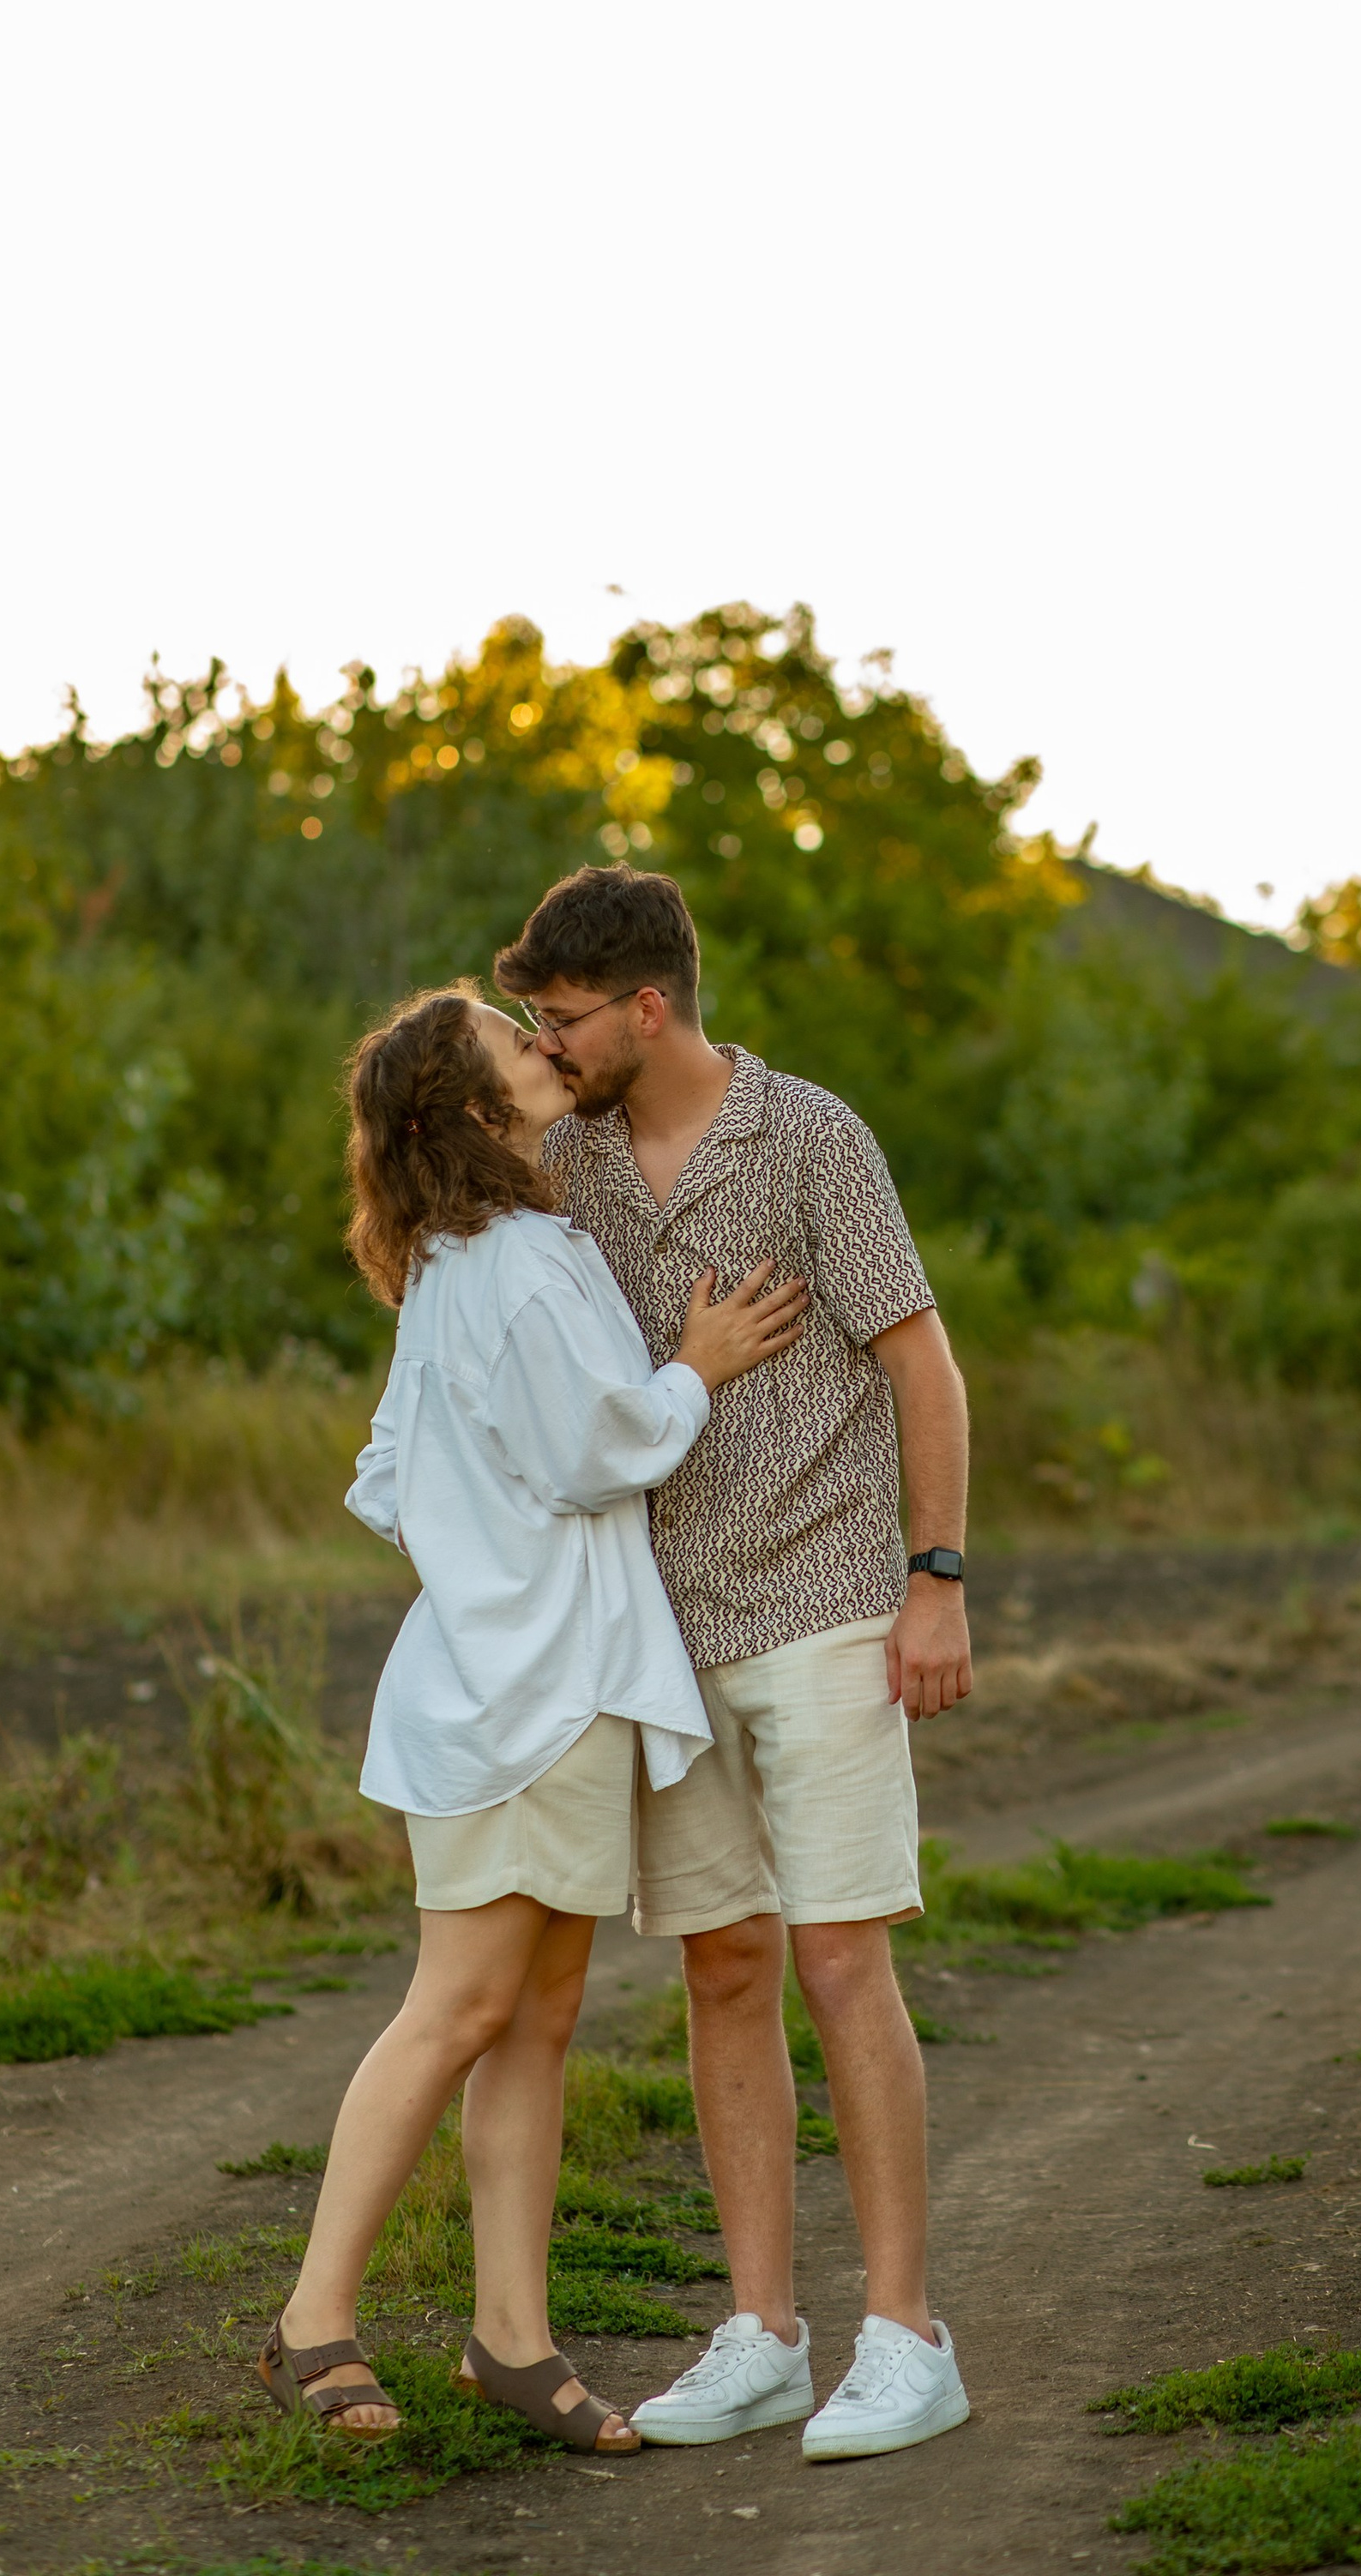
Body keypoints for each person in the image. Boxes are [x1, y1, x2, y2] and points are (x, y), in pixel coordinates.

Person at [258, 980, 804, 2451]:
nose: (544, 1045)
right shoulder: (518, 1260)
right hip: (521, 1693)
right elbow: (589, 1450)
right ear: (475, 1109)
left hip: (540, 1678)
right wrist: (692, 1370)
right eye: (516, 1042)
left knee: (538, 2020)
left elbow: (390, 1472)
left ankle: (512, 2339)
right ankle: (314, 2316)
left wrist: (476, 1543)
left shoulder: (464, 1262)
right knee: (464, 2008)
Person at [493, 864, 975, 2461]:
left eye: (563, 1022)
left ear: (649, 1004)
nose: (546, 1049)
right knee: (722, 1967)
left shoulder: (813, 1137)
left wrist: (937, 1582)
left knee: (843, 1959)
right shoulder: (565, 1162)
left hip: (833, 1601)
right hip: (664, 1635)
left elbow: (923, 1360)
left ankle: (907, 2334)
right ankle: (763, 2331)